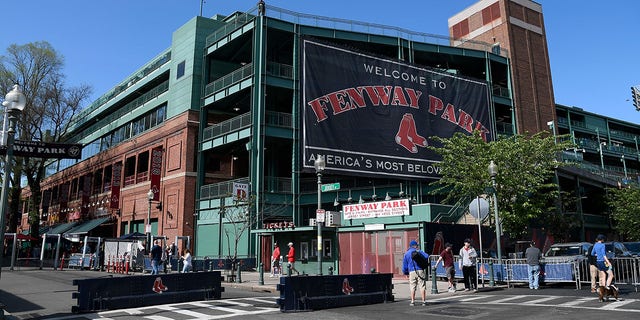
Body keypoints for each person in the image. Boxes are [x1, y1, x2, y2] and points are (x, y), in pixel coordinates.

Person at [402, 240, 429, 306]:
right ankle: (423, 301)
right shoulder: (418, 251)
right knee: (422, 286)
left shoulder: (406, 253)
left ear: (410, 246)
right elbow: (427, 256)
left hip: (411, 271)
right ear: (415, 245)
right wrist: (419, 251)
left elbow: (405, 265)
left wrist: (406, 273)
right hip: (420, 270)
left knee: (412, 286)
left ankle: (413, 301)